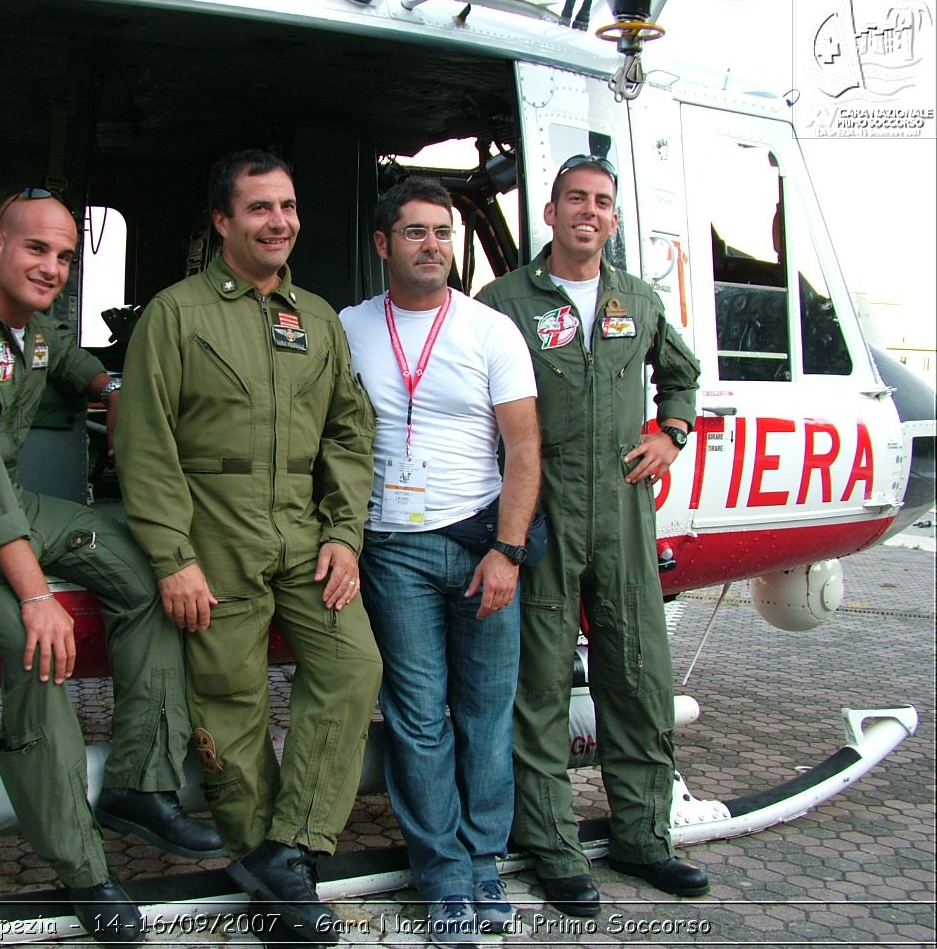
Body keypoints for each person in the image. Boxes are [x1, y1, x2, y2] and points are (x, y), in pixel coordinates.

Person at [0, 190, 222, 944]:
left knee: (151, 581)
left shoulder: (29, 331)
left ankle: (139, 785)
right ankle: (82, 868)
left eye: (65, 256)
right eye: (36, 249)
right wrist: (36, 594)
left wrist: (106, 386)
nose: (51, 267)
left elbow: (65, 357)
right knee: (36, 646)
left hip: (15, 505)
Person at [115, 150, 382, 942]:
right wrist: (172, 554)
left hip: (302, 529)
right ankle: (267, 865)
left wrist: (343, 534)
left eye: (289, 207)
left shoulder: (319, 319)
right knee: (229, 695)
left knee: (352, 665)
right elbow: (145, 443)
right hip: (214, 531)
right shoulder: (177, 314)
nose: (279, 222)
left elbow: (348, 432)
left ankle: (290, 844)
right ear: (223, 222)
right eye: (260, 208)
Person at [475, 154, 708, 916]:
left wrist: (672, 429)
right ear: (550, 213)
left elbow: (681, 372)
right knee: (539, 686)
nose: (588, 211)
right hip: (539, 513)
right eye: (575, 198)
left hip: (623, 510)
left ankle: (646, 839)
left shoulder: (636, 299)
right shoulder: (504, 300)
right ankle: (551, 848)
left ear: (613, 218)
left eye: (602, 201)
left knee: (637, 675)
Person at [340, 177, 540, 946]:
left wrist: (508, 552)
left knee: (486, 715)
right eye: (417, 232)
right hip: (392, 549)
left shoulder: (490, 331)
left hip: (478, 544)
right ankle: (443, 877)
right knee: (420, 719)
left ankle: (485, 859)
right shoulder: (349, 326)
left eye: (444, 233)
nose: (434, 246)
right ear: (383, 243)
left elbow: (523, 449)